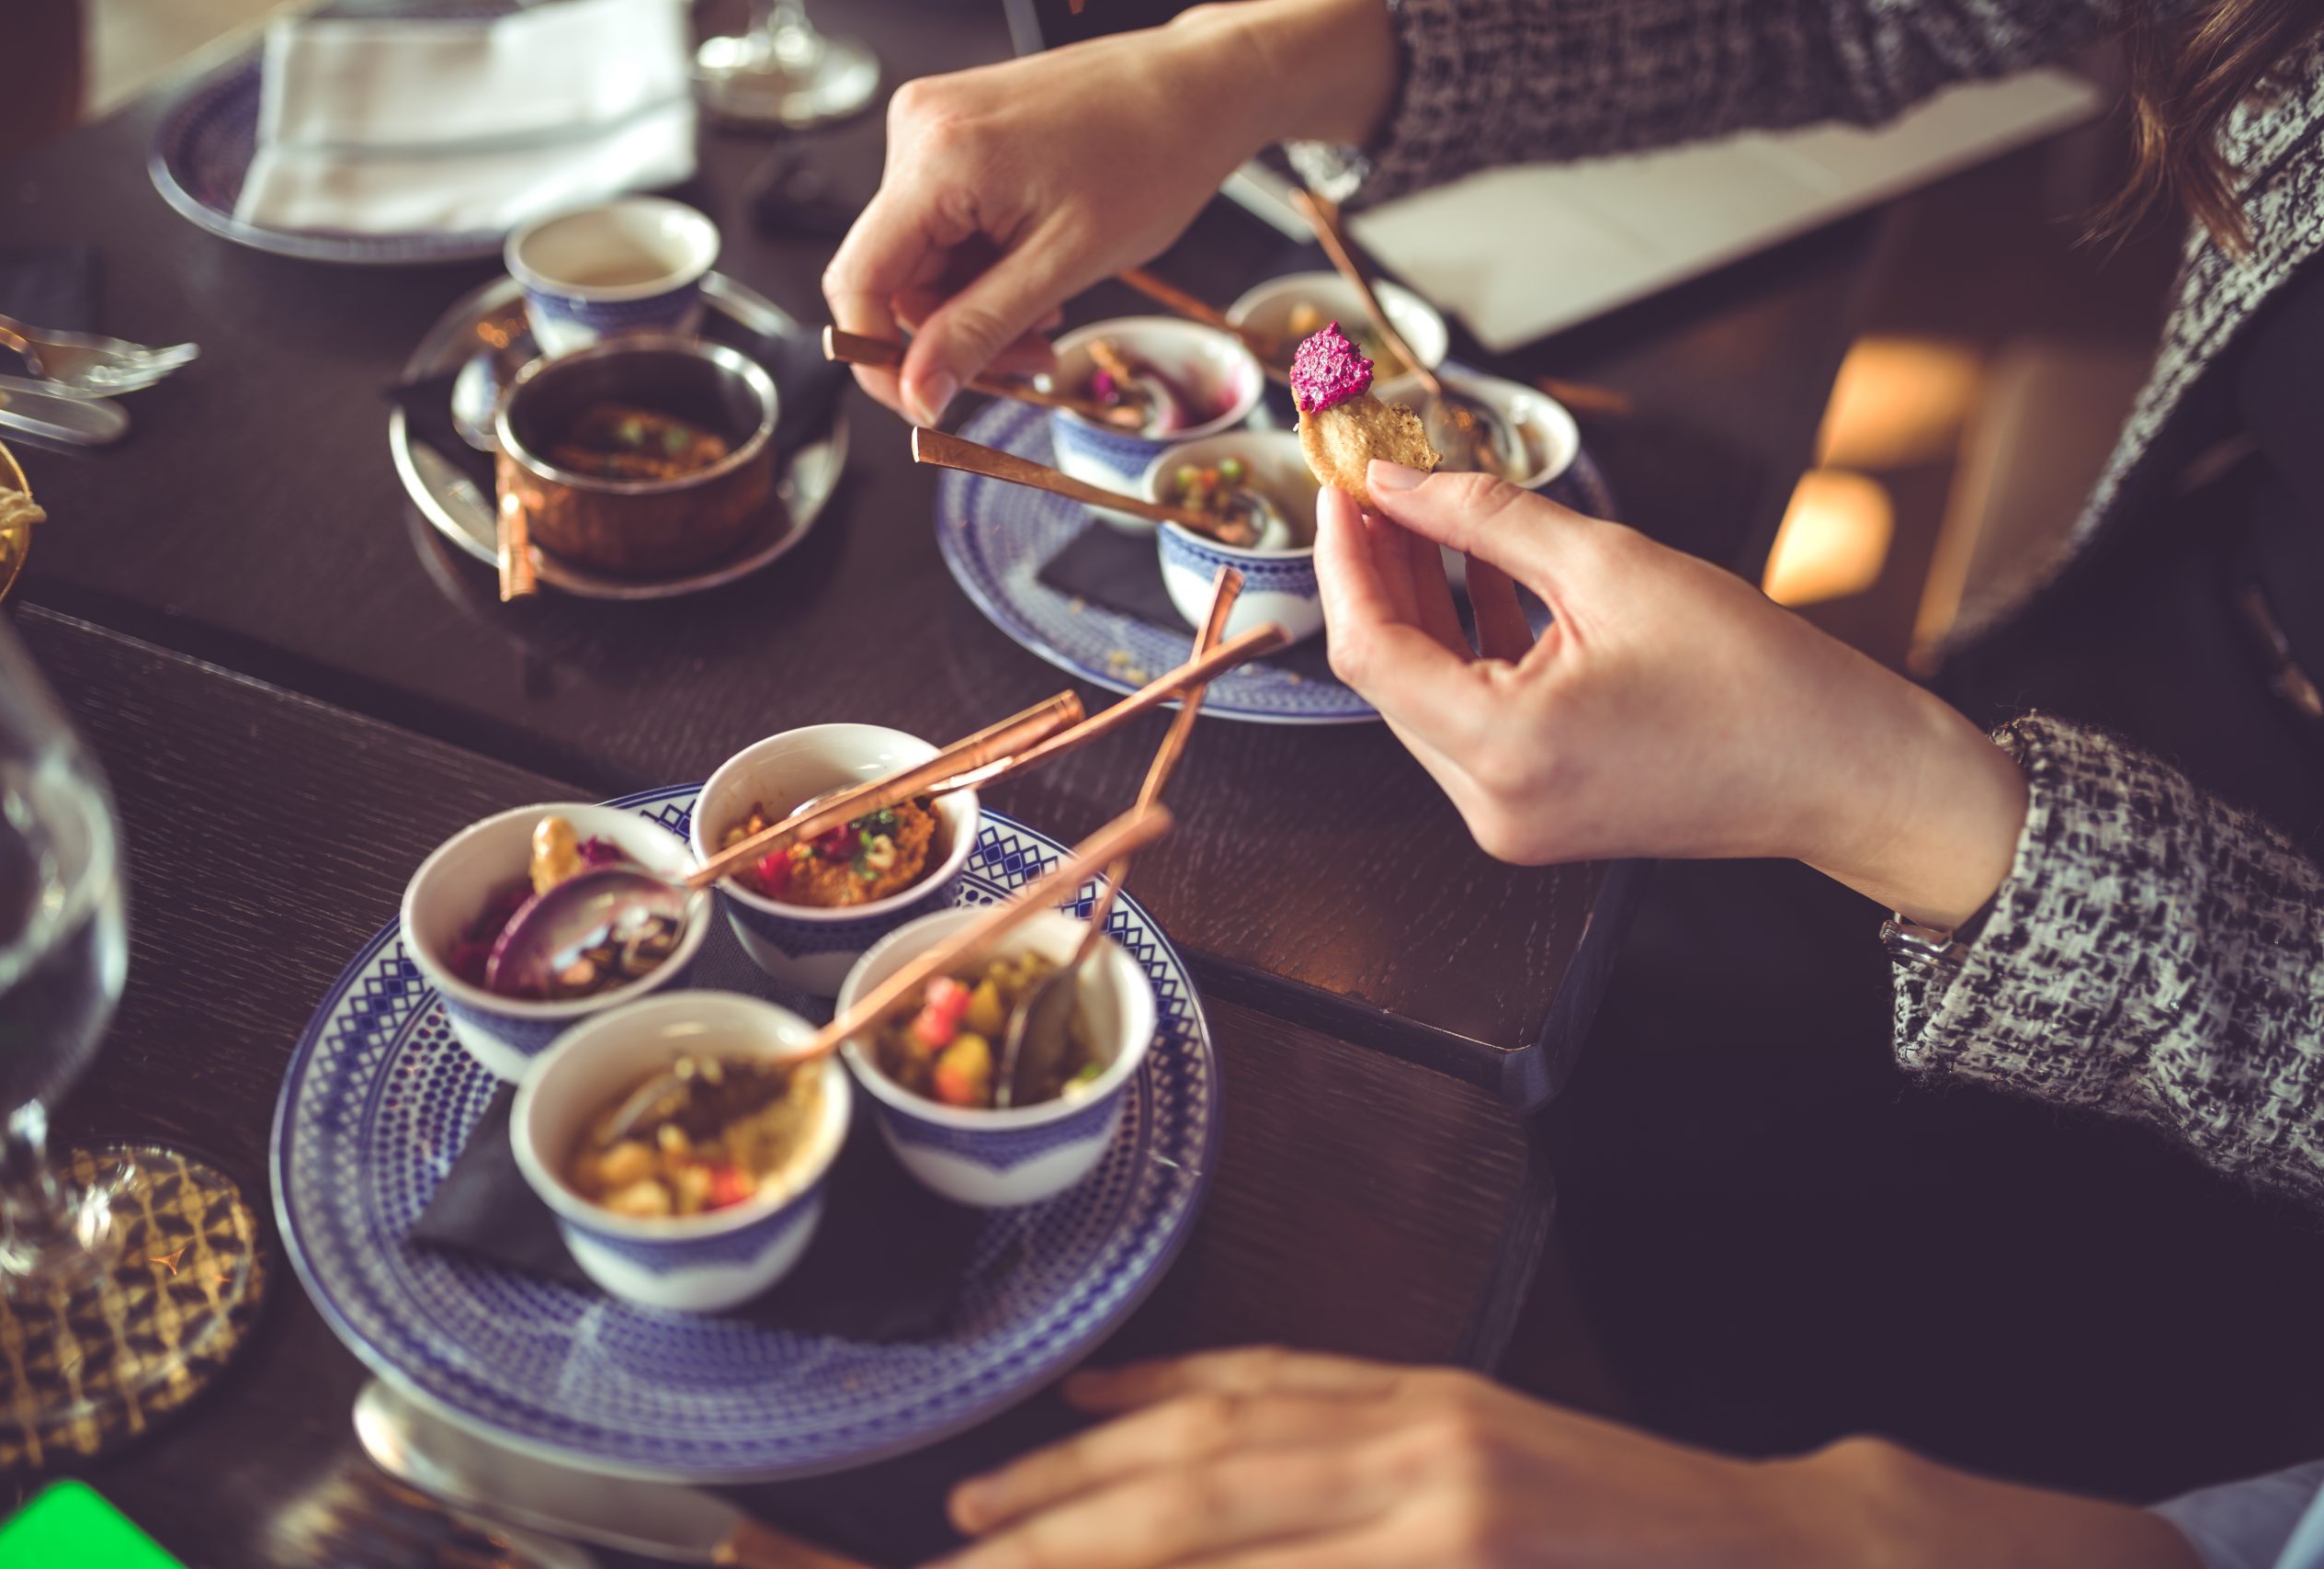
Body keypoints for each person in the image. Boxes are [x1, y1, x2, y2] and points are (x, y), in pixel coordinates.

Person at [824, 1, 2324, 1563]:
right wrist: (1247, 63)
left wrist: (1896, 801)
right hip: (2115, 678)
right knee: (1574, 1053)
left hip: (2215, 1212)